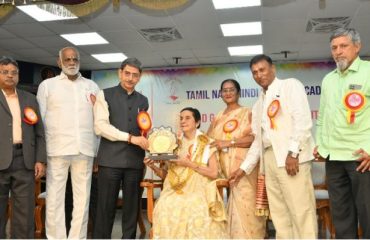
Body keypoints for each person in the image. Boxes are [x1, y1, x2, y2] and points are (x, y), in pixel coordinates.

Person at [229, 54, 317, 238]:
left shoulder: (290, 86)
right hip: (269, 159)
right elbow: (257, 142)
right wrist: (243, 169)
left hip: (291, 158)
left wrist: (293, 153)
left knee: (301, 211)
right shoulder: (258, 104)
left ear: (273, 69)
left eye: (262, 70)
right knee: (279, 213)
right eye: (254, 72)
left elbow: (303, 122)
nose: (259, 75)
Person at [37, 46, 100, 239]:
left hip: (85, 150)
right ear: (59, 62)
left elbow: (98, 121)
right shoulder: (48, 86)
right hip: (57, 150)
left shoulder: (92, 86)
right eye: (67, 59)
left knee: (83, 200)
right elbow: (41, 121)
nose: (72, 62)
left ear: (80, 61)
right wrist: (42, 155)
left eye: (75, 59)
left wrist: (97, 153)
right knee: (55, 198)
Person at [314, 28, 370, 238]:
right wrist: (321, 145)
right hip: (333, 158)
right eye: (334, 48)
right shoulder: (328, 79)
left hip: (361, 158)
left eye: (343, 46)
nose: (338, 52)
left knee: (367, 214)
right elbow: (322, 117)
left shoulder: (368, 71)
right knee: (342, 216)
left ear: (357, 46)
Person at [144, 107, 228, 239]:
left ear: (197, 122)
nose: (183, 121)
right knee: (165, 206)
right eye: (181, 118)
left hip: (199, 190)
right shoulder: (173, 144)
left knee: (195, 207)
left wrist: (188, 164)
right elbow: (168, 176)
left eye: (188, 118)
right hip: (173, 190)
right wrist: (153, 167)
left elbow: (213, 173)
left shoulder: (207, 143)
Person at [93, 57, 149, 239]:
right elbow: (100, 127)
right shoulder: (105, 94)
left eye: (135, 75)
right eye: (127, 73)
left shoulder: (143, 100)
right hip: (110, 161)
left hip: (135, 162)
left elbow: (144, 129)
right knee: (105, 208)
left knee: (132, 209)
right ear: (120, 73)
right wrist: (130, 138)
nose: (130, 78)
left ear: (139, 77)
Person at [207, 79, 266, 238]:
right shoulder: (218, 116)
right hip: (222, 169)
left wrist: (229, 142)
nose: (228, 93)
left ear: (238, 93)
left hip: (244, 168)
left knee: (247, 204)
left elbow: (255, 138)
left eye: (231, 90)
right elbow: (208, 141)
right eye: (224, 90)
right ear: (220, 94)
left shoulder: (247, 113)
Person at [0, 56, 46, 238]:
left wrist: (40, 160)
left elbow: (40, 131)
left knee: (24, 213)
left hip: (24, 161)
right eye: (5, 72)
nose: (10, 76)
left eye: (14, 72)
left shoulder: (30, 99)